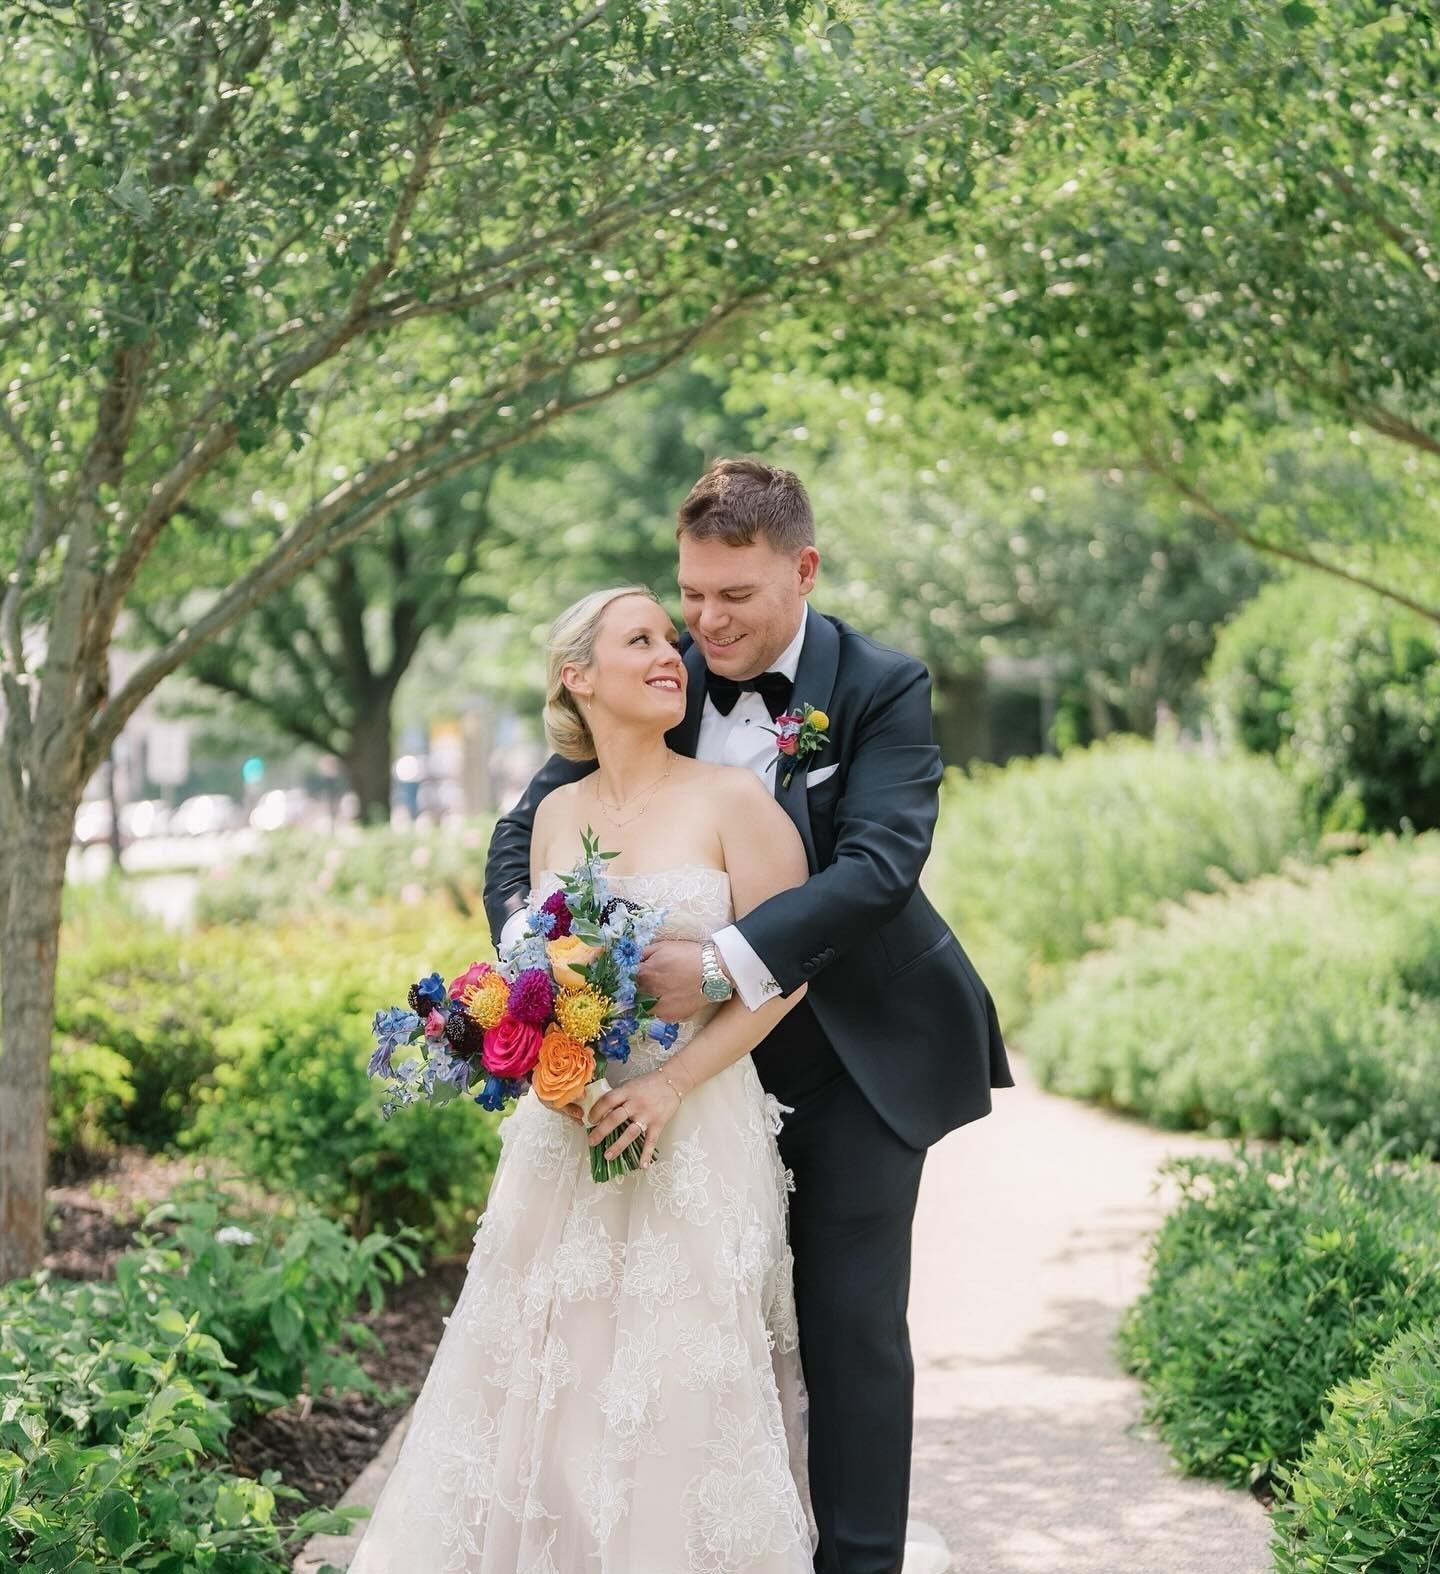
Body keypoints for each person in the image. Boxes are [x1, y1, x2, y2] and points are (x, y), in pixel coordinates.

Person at [486, 459, 1014, 1574]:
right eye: (691, 593)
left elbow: (879, 865)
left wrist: (725, 959)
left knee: (849, 1325)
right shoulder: (653, 671)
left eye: (734, 597)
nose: (704, 623)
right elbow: (526, 833)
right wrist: (542, 972)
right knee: (694, 1339)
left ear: (802, 569)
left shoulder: (879, 685)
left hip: (853, 1055)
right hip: (694, 1078)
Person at [349, 584, 820, 1573]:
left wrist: (667, 1083)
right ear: (578, 675)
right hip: (570, 1132)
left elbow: (788, 971)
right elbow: (537, 972)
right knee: (548, 1377)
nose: (669, 653)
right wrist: (554, 1071)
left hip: (696, 1124)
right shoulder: (553, 815)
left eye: (671, 639)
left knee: (680, 1383)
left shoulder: (735, 799)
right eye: (639, 638)